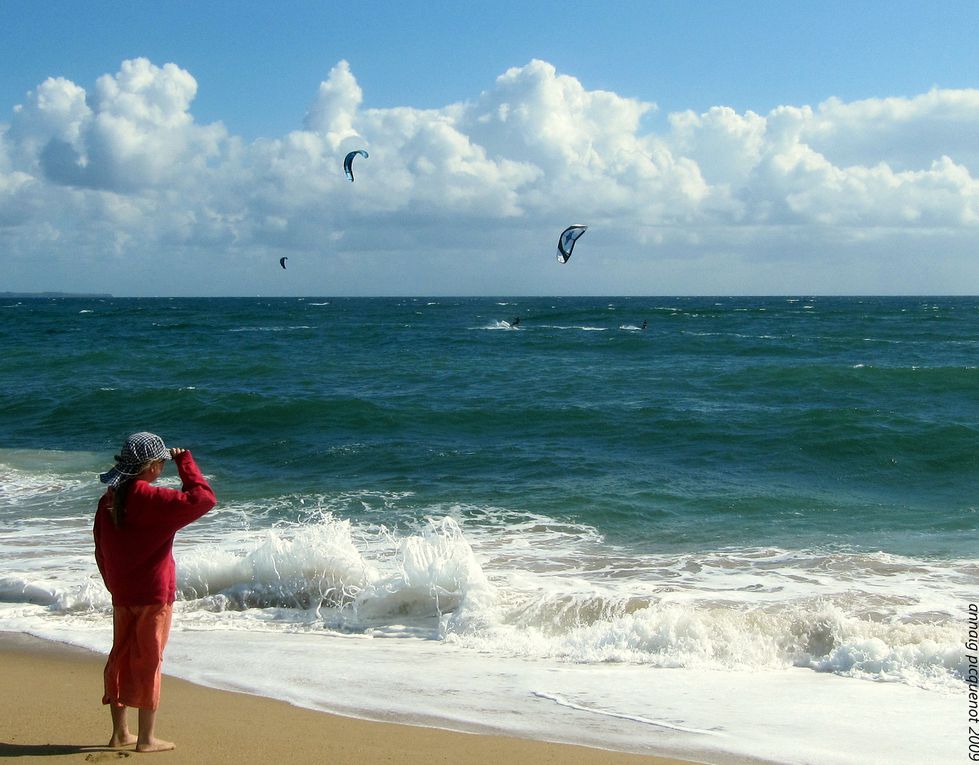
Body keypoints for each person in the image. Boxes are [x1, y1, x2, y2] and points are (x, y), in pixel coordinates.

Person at [93, 432, 216, 752]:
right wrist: (185, 462)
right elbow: (204, 499)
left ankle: (120, 732)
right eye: (161, 463)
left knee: (119, 657)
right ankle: (145, 738)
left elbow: (100, 549)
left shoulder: (110, 499)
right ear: (151, 466)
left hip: (123, 592)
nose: (162, 468)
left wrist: (113, 583)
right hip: (153, 594)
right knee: (149, 661)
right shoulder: (149, 498)